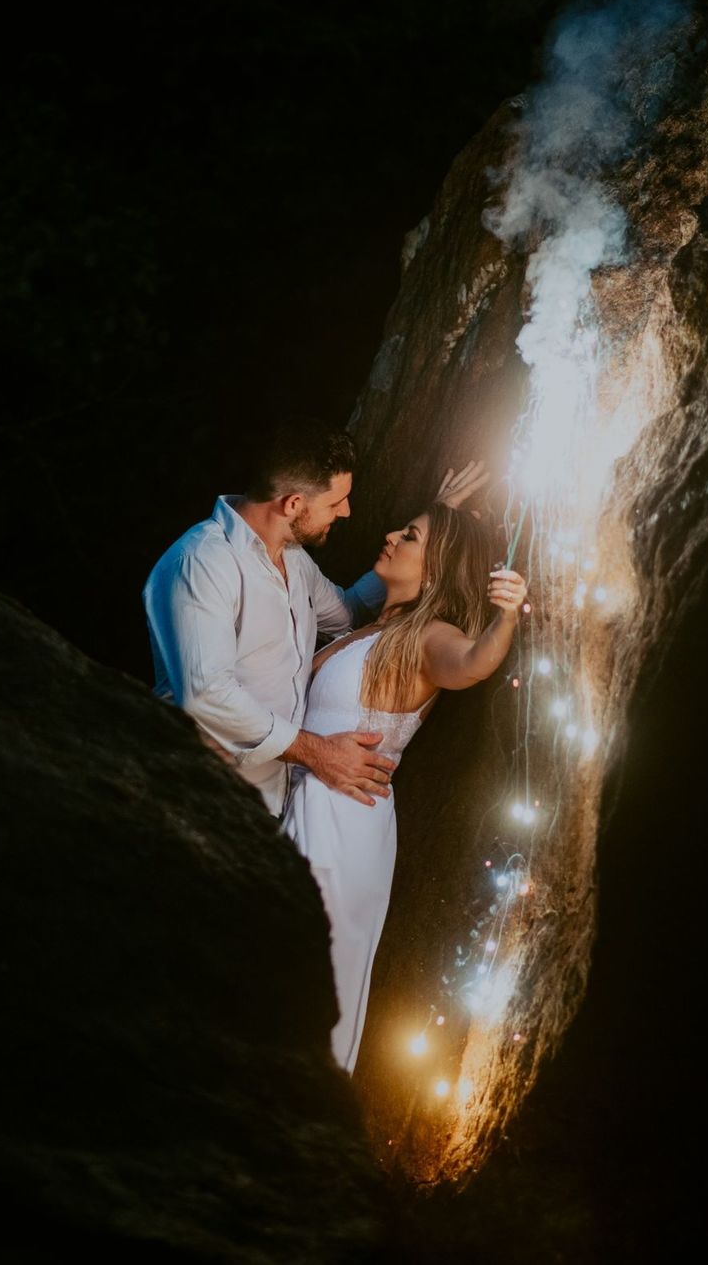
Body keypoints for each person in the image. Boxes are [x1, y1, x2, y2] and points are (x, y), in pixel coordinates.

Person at [282, 502, 526, 1073]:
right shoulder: (373, 627)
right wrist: (446, 504)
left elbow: (471, 662)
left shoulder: (430, 638)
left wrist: (506, 619)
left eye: (410, 536)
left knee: (302, 987)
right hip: (309, 802)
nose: (391, 534)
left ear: (436, 569)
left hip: (344, 823)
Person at [142, 421, 487, 816]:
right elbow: (206, 693)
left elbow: (349, 612)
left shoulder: (294, 560)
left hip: (268, 804)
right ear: (293, 504)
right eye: (335, 502)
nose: (346, 511)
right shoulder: (202, 562)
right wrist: (317, 752)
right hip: (196, 795)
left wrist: (433, 532)